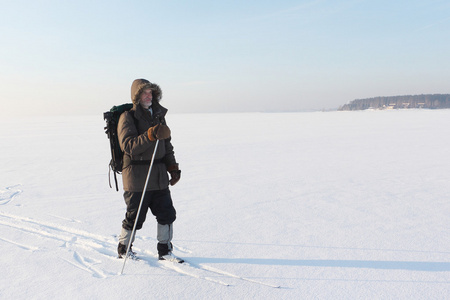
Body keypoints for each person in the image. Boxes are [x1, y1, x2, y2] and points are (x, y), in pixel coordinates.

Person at [116, 78, 182, 262]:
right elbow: (129, 146)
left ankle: (165, 250)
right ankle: (124, 249)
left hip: (159, 176)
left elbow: (167, 145)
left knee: (167, 214)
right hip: (137, 178)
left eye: (151, 92)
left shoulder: (159, 115)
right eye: (145, 92)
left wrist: (173, 167)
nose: (149, 96)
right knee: (134, 217)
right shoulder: (127, 117)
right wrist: (151, 134)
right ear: (137, 96)